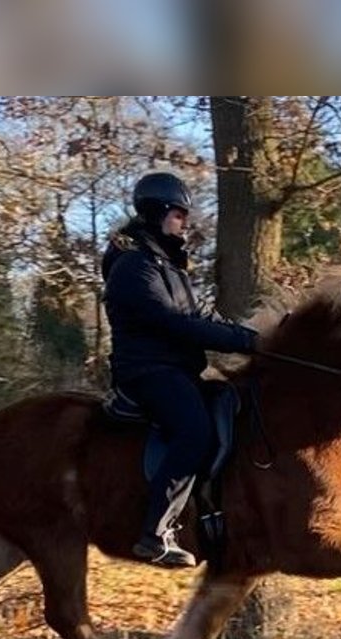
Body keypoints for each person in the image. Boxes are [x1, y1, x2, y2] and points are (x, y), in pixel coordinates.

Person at [101, 171, 259, 568]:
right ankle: (155, 533)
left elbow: (203, 315)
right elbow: (175, 323)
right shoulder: (134, 267)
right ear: (156, 214)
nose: (184, 222)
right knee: (194, 430)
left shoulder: (169, 267)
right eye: (178, 214)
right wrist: (241, 343)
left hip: (177, 370)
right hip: (148, 371)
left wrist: (255, 336)